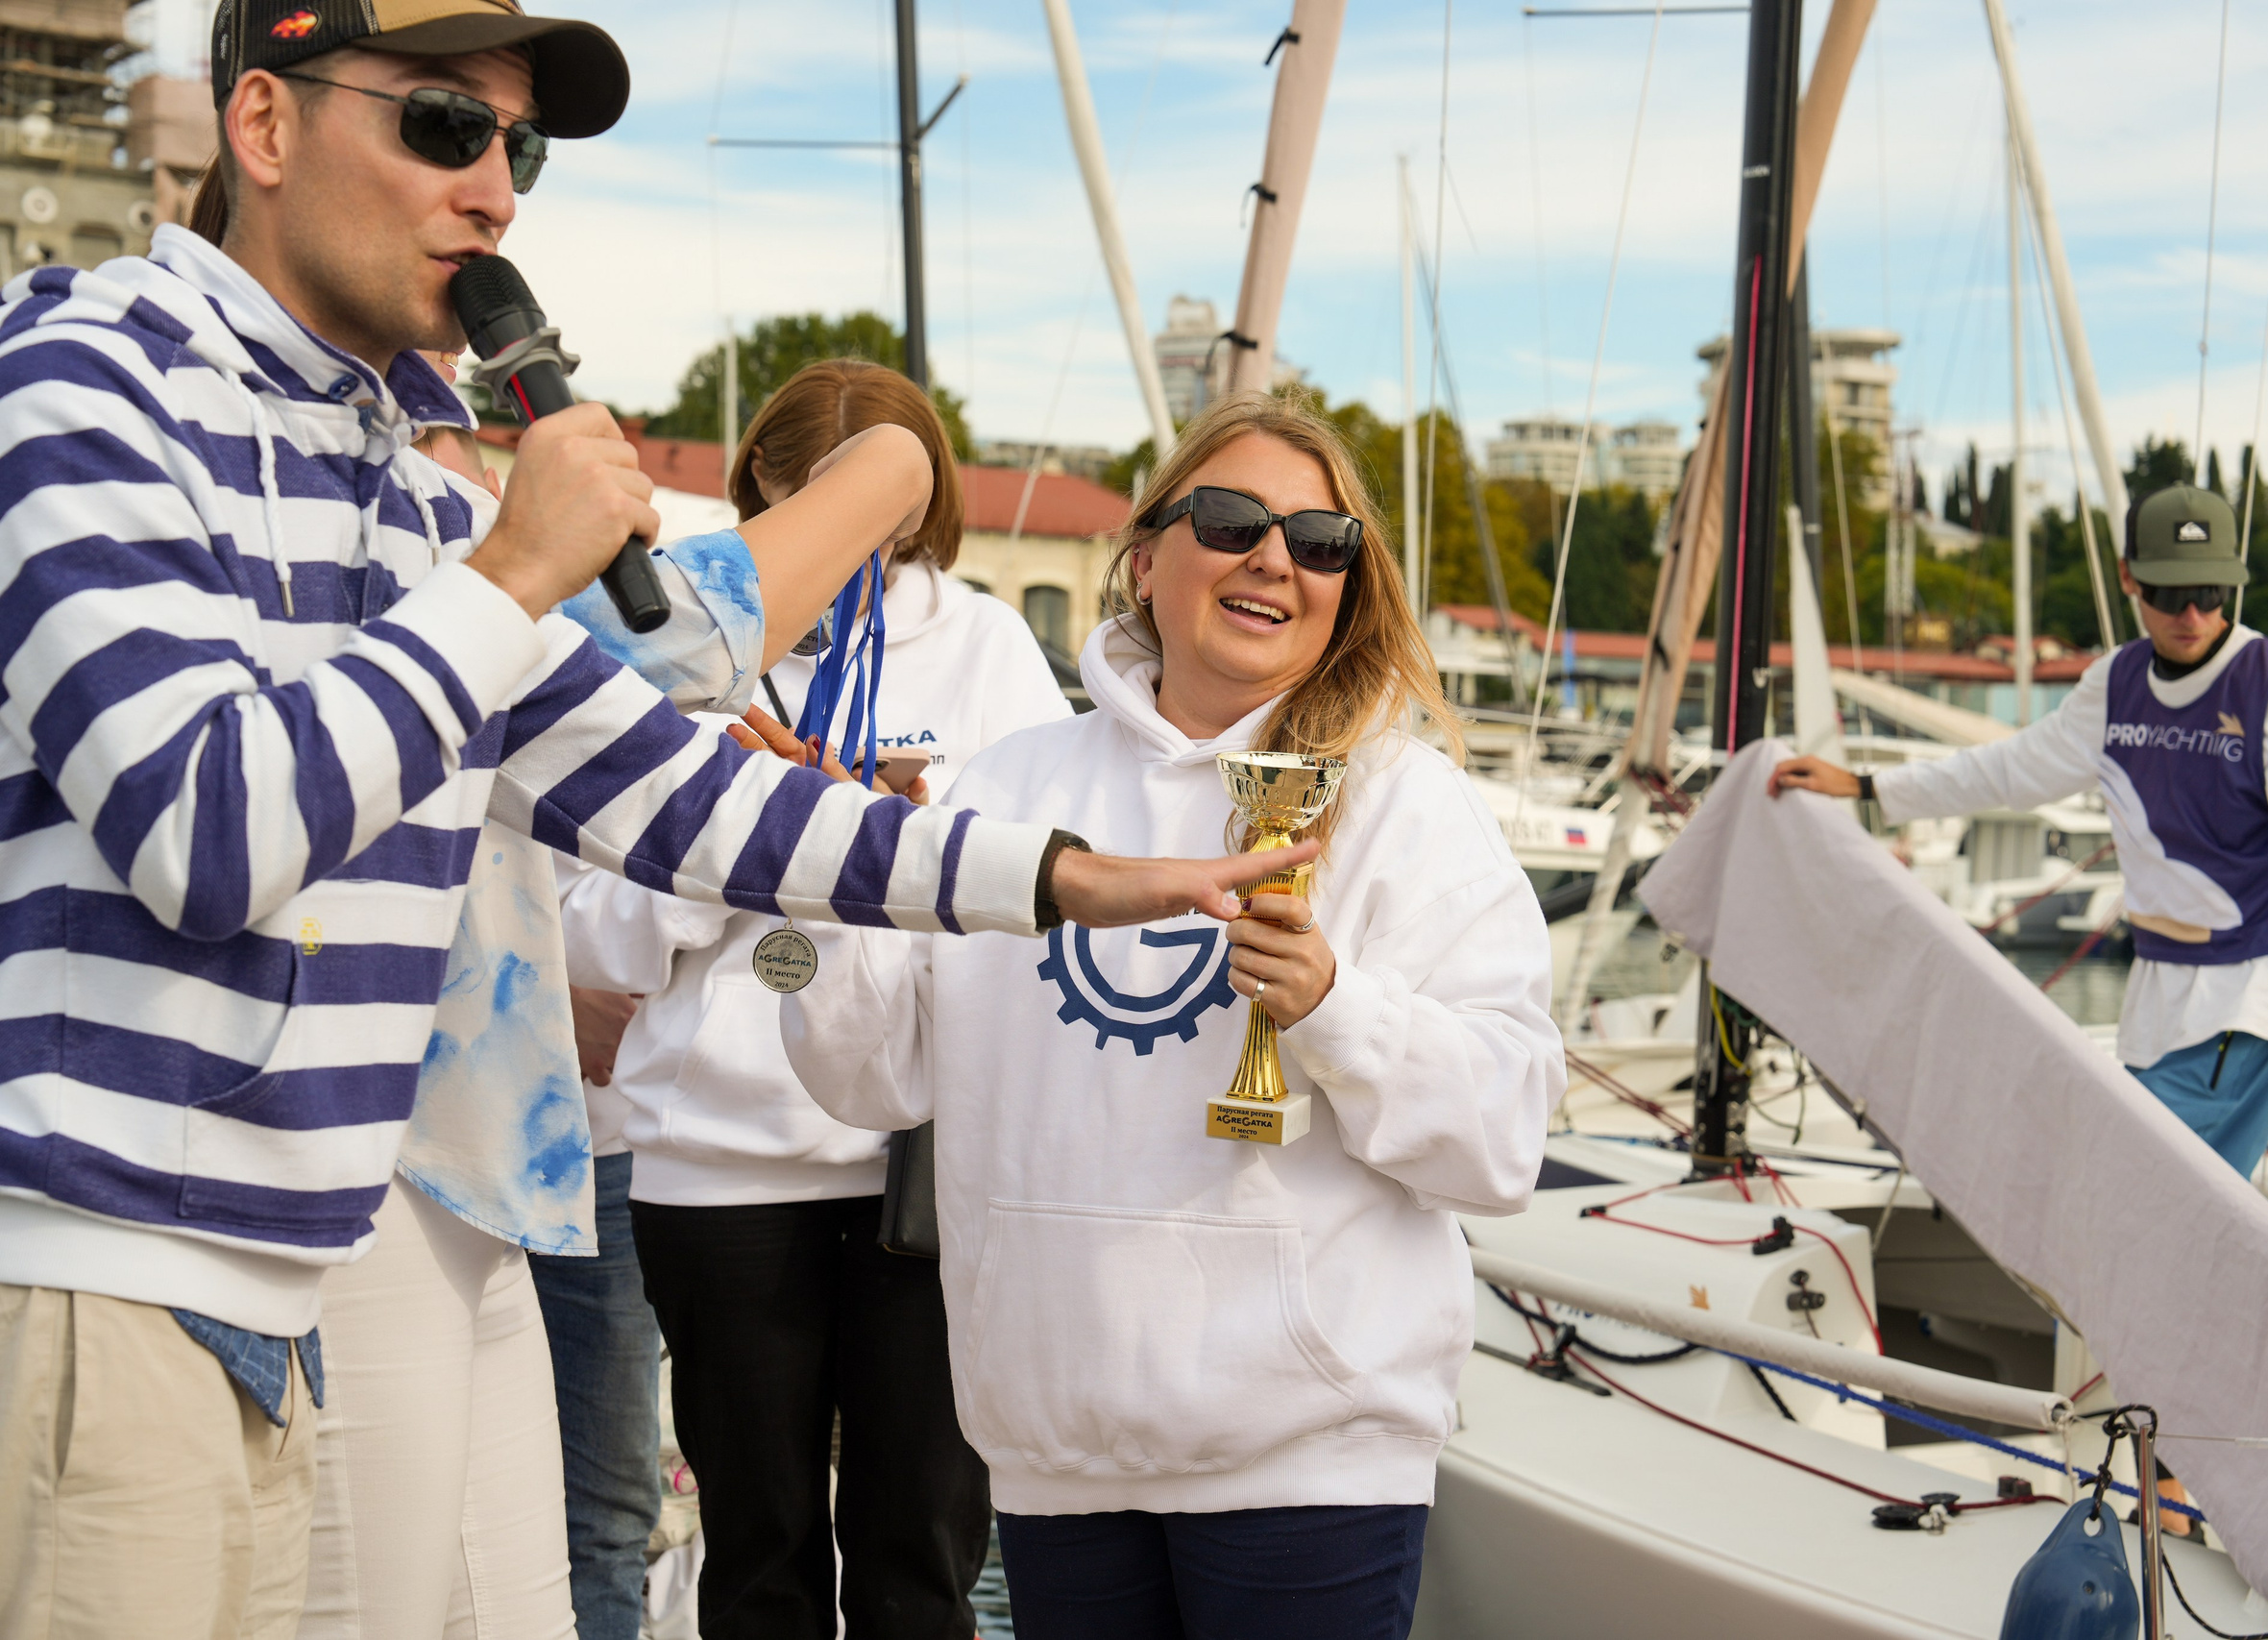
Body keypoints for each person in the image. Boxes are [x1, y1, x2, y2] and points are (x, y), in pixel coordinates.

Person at [0, 3, 1308, 1633]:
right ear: (261, 127)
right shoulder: (82, 364)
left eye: (518, 146)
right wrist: (512, 573)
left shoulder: (404, 481)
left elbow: (684, 794)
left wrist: (1064, 876)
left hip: (282, 1286)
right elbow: (197, 828)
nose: (494, 190)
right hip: (99, 1275)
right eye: (439, 125)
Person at [768, 391, 1563, 1640]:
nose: (1274, 559)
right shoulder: (1011, 784)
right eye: (1236, 518)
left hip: (1311, 1454)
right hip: (1056, 1447)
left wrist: (1337, 1007)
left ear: (1351, 585)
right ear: (1147, 557)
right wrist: (827, 881)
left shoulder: (1411, 808)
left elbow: (1504, 1135)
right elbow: (872, 1079)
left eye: (1320, 540)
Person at [561, 359, 1072, 1639]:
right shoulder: (676, 636)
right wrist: (739, 844)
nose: (848, 553)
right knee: (756, 1561)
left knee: (922, 1565)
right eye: (813, 511)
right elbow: (582, 920)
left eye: (878, 524)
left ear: (921, 507)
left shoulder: (988, 645)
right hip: (715, 1165)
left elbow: (1040, 901)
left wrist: (896, 843)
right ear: (763, 496)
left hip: (915, 1166)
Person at [1771, 483, 2268, 1177]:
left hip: (2250, 1012)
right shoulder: (2115, 684)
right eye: (2168, 592)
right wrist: (1867, 786)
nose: (2192, 613)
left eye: (2212, 591)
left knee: (2118, 1190)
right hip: (2157, 1011)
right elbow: (2009, 771)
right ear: (2129, 577)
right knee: (2159, 1219)